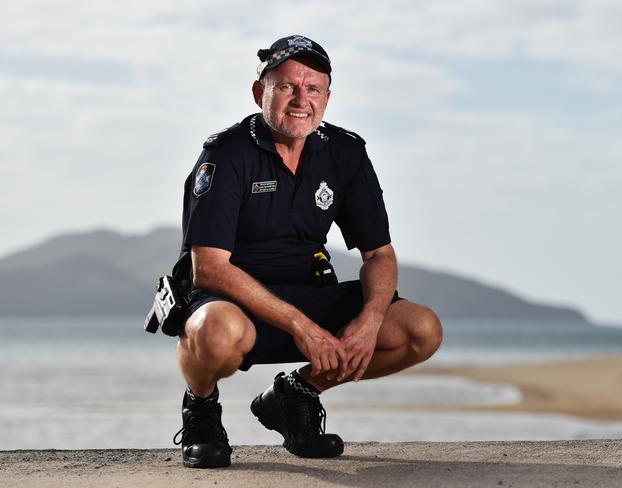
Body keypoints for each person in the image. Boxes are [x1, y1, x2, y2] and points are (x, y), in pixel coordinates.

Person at [173, 34, 443, 469]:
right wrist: (301, 325)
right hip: (235, 301)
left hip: (308, 292)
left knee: (420, 329)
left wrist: (370, 320)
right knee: (215, 333)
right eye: (287, 87)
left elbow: (379, 255)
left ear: (327, 97)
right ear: (260, 92)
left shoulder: (345, 153)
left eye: (313, 89)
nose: (301, 99)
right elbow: (208, 268)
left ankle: (295, 397)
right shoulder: (226, 153)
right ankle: (201, 408)